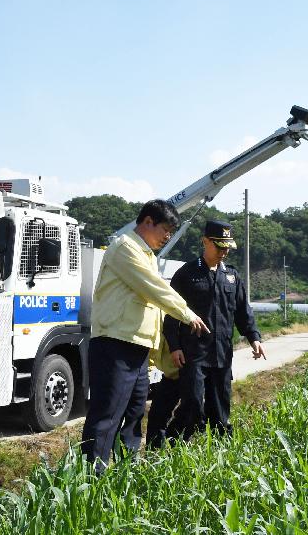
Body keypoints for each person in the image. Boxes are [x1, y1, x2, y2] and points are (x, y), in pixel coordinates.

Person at [81, 200, 209, 473]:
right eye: (165, 230)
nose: (167, 237)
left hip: (137, 348)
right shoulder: (125, 248)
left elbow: (152, 309)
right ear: (147, 221)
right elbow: (154, 290)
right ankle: (90, 480)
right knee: (106, 416)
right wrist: (187, 313)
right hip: (115, 344)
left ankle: (126, 474)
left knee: (133, 414)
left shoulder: (148, 255)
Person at [164, 220, 265, 439]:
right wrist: (174, 346)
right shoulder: (187, 273)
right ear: (205, 241)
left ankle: (221, 452)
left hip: (221, 353)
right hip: (194, 353)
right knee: (192, 403)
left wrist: (254, 338)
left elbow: (242, 311)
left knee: (220, 410)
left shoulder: (231, 276)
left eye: (227, 247)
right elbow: (172, 313)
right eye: (219, 246)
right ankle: (174, 441)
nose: (224, 251)